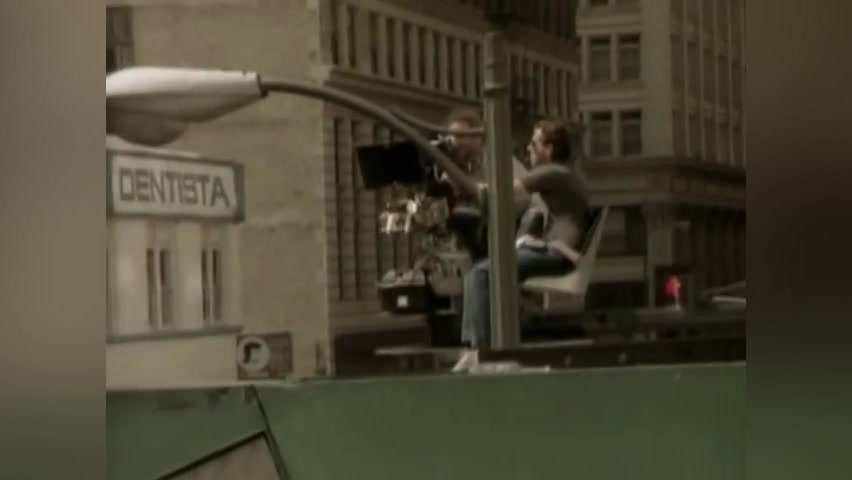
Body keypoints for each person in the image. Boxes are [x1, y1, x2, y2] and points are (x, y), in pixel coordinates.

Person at [458, 119, 590, 354]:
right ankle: (475, 345)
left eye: (534, 144)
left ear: (549, 149)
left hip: (557, 253)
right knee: (479, 272)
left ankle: (480, 350)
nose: (528, 149)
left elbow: (500, 193)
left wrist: (458, 182)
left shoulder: (552, 171)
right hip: (555, 249)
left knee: (480, 274)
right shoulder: (566, 173)